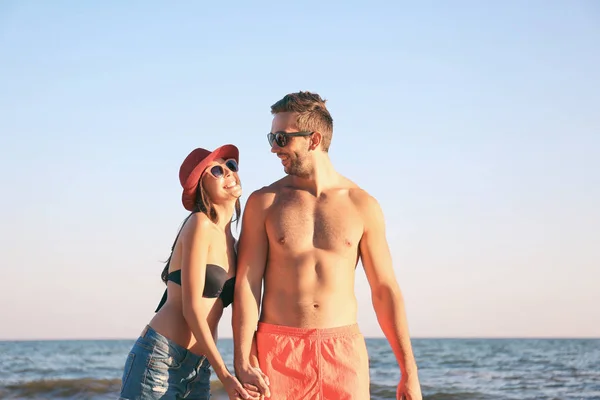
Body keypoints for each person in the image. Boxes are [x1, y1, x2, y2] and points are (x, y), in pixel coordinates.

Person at [233, 92, 422, 400]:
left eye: (281, 138)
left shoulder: (362, 204)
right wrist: (242, 359)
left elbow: (385, 290)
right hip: (278, 351)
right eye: (271, 137)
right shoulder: (265, 202)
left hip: (343, 352)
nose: (273, 148)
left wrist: (409, 372)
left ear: (314, 139)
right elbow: (247, 284)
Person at [119, 145, 262, 400]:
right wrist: (225, 375)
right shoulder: (199, 224)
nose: (229, 172)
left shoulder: (236, 244)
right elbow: (192, 308)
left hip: (198, 367)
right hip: (160, 358)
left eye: (231, 165)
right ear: (201, 187)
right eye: (217, 171)